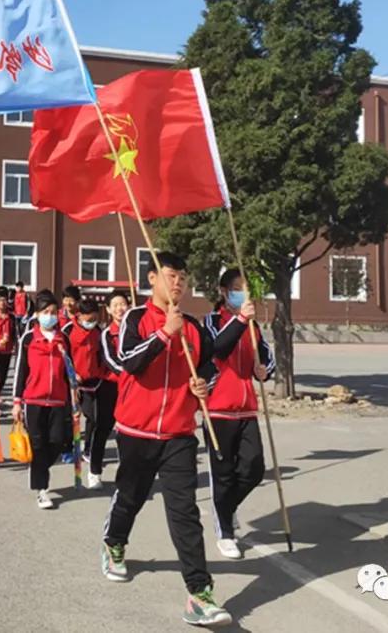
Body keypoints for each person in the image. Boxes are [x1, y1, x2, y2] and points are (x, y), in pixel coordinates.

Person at [101, 251, 232, 628]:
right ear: (152, 279)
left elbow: (210, 368)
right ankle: (114, 542)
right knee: (131, 497)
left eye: (182, 277)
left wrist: (203, 385)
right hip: (136, 431)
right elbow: (129, 361)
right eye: (171, 275)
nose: (178, 283)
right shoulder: (136, 318)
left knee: (185, 512)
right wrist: (163, 334)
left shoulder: (193, 327)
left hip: (178, 433)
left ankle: (199, 593)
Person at [203, 269, 272, 560]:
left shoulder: (253, 325)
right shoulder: (210, 322)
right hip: (217, 409)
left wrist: (264, 371)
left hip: (246, 408)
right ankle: (225, 532)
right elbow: (216, 348)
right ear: (222, 291)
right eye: (235, 289)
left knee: (254, 469)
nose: (241, 295)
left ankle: (226, 509)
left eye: (245, 290)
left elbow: (266, 357)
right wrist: (240, 320)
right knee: (223, 474)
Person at [12, 289, 74, 509]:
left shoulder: (63, 338)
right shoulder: (28, 338)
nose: (51, 315)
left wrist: (74, 397)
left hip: (58, 400)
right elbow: (21, 370)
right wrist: (17, 401)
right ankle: (42, 489)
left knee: (57, 442)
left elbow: (70, 371)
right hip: (34, 400)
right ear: (37, 314)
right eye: (46, 312)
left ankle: (38, 469)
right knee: (38, 445)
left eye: (54, 312)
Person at [63, 298, 116, 490]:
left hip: (97, 382)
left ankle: (92, 460)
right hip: (76, 383)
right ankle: (71, 448)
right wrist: (71, 376)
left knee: (98, 421)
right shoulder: (68, 331)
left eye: (95, 318)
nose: (91, 321)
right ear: (80, 315)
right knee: (83, 417)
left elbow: (102, 357)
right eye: (89, 318)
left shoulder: (99, 333)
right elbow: (63, 357)